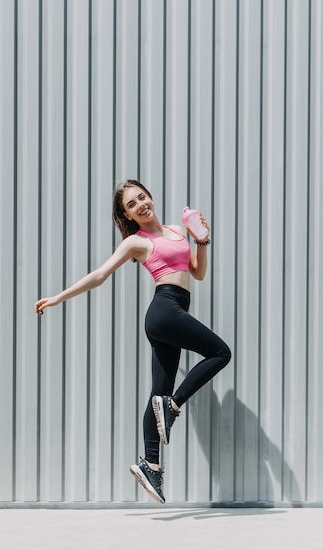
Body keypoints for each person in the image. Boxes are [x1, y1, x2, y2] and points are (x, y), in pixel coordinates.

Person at [34, 179, 231, 503]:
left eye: (141, 197)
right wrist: (58, 297)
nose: (140, 204)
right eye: (131, 205)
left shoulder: (176, 230)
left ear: (150, 196)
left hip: (173, 312)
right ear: (128, 216)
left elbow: (197, 273)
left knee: (158, 392)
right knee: (220, 353)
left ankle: (150, 464)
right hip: (164, 311)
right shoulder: (135, 242)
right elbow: (99, 275)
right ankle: (174, 404)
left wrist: (203, 241)